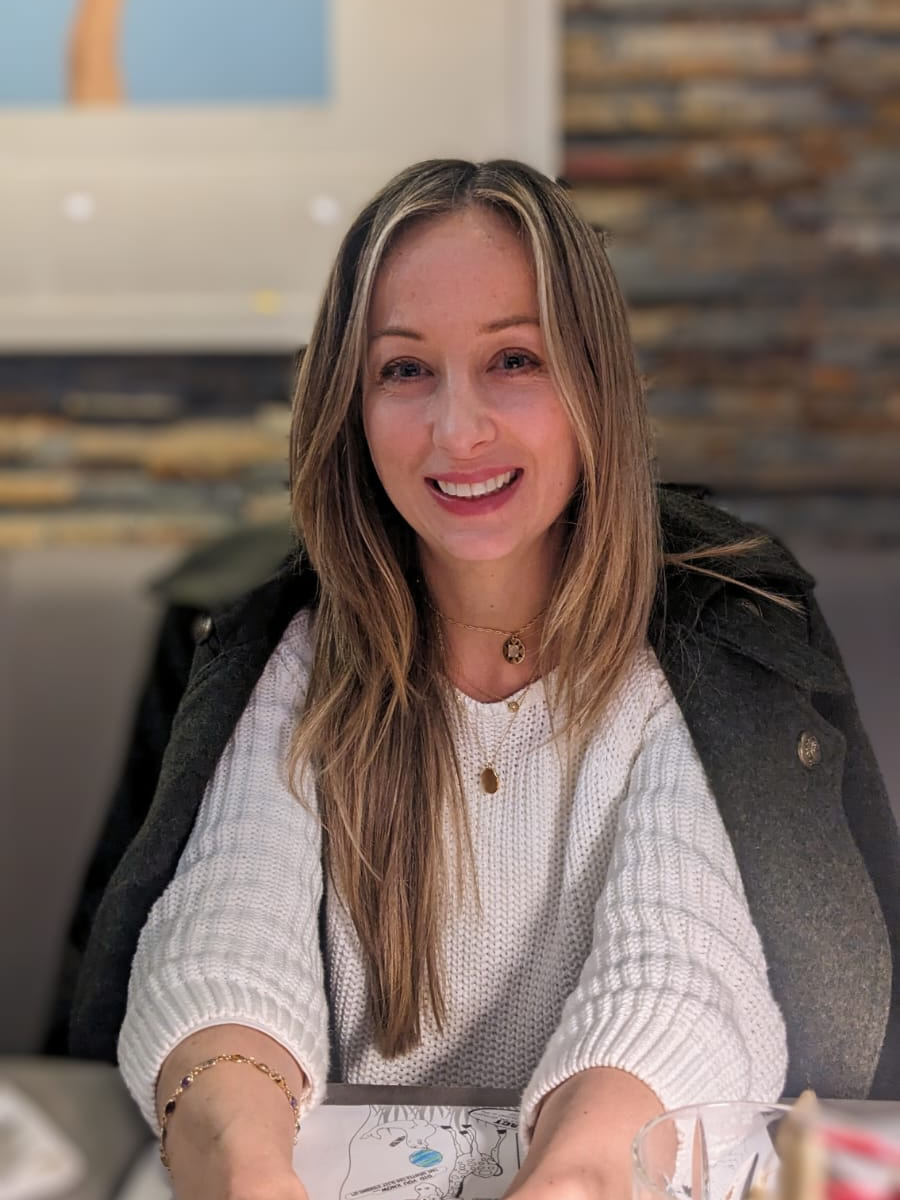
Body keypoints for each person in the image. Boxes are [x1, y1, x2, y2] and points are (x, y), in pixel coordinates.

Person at [68, 159, 899, 1200]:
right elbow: (224, 943)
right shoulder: (295, 653)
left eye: (514, 359)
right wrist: (243, 1167)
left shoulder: (700, 650)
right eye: (404, 369)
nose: (457, 431)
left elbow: (685, 973)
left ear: (593, 382)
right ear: (350, 404)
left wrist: (574, 1179)